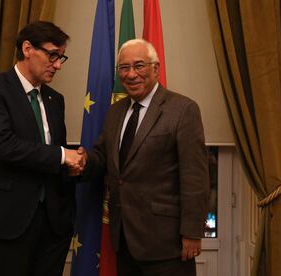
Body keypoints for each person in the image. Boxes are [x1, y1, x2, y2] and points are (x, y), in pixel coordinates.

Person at [80, 38, 210, 276]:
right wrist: (82, 160)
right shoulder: (116, 111)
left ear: (156, 68)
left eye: (139, 66)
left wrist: (192, 233)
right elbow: (103, 156)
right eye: (124, 68)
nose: (131, 74)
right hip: (125, 239)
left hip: (167, 243)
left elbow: (195, 177)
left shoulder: (183, 109)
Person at [0, 21, 84, 276]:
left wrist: (74, 163)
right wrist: (63, 156)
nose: (58, 65)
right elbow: (3, 145)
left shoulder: (55, 99)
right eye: (53, 55)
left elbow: (53, 150)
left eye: (61, 57)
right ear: (28, 48)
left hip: (53, 223)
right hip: (7, 219)